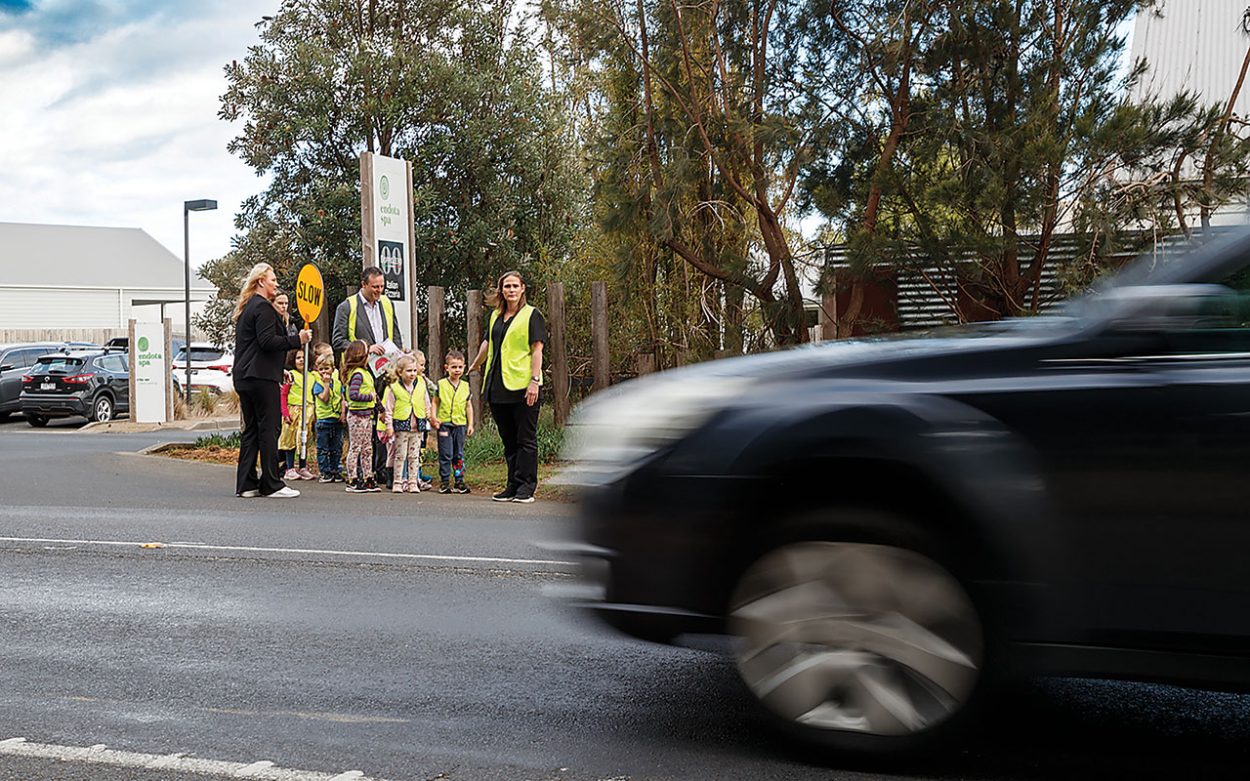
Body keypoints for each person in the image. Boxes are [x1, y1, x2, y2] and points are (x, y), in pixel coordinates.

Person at [233, 262, 311, 498]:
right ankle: (271, 484)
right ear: (260, 282)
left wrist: (279, 371)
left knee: (252, 430)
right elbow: (267, 341)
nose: (276, 283)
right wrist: (297, 339)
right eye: (273, 279)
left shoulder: (248, 307)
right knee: (269, 428)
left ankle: (247, 484)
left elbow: (255, 346)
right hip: (260, 377)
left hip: (246, 376)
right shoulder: (264, 308)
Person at [469, 270, 545, 503]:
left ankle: (526, 487)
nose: (511, 290)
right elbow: (487, 343)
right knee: (509, 439)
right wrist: (474, 364)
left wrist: (534, 381)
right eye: (506, 286)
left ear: (523, 288)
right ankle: (512, 484)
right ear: (501, 290)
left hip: (523, 386)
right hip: (497, 385)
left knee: (525, 439)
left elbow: (537, 349)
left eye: (515, 286)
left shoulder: (532, 315)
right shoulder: (495, 316)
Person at [331, 266, 403, 356]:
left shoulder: (388, 303)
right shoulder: (346, 307)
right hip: (358, 366)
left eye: (382, 286)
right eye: (375, 287)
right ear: (364, 284)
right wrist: (366, 349)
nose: (379, 290)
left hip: (385, 365)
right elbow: (338, 342)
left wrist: (400, 354)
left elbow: (396, 336)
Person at [342, 339, 382, 493]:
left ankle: (368, 477)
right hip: (357, 416)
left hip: (367, 415)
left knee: (367, 448)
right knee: (356, 447)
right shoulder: (357, 374)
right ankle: (352, 478)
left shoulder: (366, 374)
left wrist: (381, 409)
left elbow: (374, 394)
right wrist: (369, 397)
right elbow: (353, 395)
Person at [383, 354, 426, 493]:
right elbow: (389, 409)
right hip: (402, 425)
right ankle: (398, 481)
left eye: (414, 370)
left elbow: (426, 402)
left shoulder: (420, 385)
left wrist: (430, 416)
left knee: (414, 455)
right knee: (400, 455)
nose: (412, 374)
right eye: (409, 371)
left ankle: (413, 482)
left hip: (417, 425)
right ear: (400, 372)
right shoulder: (394, 388)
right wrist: (389, 426)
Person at [432, 349, 474, 494]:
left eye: (460, 367)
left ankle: (459, 480)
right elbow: (435, 402)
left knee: (459, 454)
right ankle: (444, 481)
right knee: (446, 453)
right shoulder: (441, 384)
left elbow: (468, 406)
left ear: (464, 367)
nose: (457, 370)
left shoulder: (465, 386)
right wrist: (434, 417)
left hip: (460, 424)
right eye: (454, 367)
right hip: (444, 424)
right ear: (447, 368)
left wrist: (470, 424)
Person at [279, 348, 315, 480]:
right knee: (290, 440)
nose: (301, 360)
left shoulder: (312, 376)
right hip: (293, 410)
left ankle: (303, 466)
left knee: (303, 440)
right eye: (298, 358)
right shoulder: (291, 375)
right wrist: (285, 412)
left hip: (307, 411)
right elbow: (283, 394)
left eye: (303, 357)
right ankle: (289, 468)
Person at [311, 354, 345, 483]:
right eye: (321, 369)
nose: (324, 372)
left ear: (333, 369)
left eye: (327, 368)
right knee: (323, 448)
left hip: (336, 419)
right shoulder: (318, 385)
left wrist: (342, 413)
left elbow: (342, 398)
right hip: (324, 420)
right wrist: (325, 385)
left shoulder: (337, 383)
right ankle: (325, 472)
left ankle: (335, 470)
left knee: (336, 448)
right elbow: (324, 399)